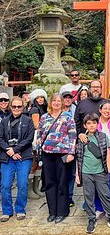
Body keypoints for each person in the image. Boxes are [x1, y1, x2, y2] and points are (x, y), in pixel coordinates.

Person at [76, 113, 110, 234]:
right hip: (86, 172)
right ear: (85, 125)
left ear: (97, 124)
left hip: (100, 171)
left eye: (94, 123)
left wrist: (107, 169)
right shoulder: (81, 138)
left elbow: (107, 153)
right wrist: (77, 174)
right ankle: (91, 218)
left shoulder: (103, 136)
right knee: (89, 196)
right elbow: (79, 157)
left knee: (105, 195)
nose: (91, 125)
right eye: (89, 123)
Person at [37, 93, 76, 224]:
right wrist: (38, 151)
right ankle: (52, 210)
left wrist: (71, 152)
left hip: (62, 153)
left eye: (59, 101)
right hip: (47, 153)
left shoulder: (68, 117)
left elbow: (72, 135)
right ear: (50, 102)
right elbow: (40, 135)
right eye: (54, 101)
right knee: (49, 183)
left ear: (62, 103)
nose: (56, 103)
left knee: (62, 182)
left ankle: (62, 211)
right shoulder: (44, 117)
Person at [0, 97, 34, 222]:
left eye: (19, 106)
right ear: (10, 107)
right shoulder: (4, 121)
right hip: (7, 156)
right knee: (5, 184)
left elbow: (29, 138)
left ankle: (20, 209)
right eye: (14, 106)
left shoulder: (28, 121)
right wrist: (10, 151)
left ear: (23, 107)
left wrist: (15, 150)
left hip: (23, 156)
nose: (16, 109)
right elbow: (0, 138)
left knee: (22, 184)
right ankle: (7, 210)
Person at [28, 89, 48, 199]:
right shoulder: (35, 109)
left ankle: (36, 188)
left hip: (42, 137)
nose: (40, 99)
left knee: (39, 163)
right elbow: (36, 125)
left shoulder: (43, 109)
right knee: (34, 163)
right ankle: (30, 189)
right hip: (36, 138)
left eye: (42, 97)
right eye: (38, 98)